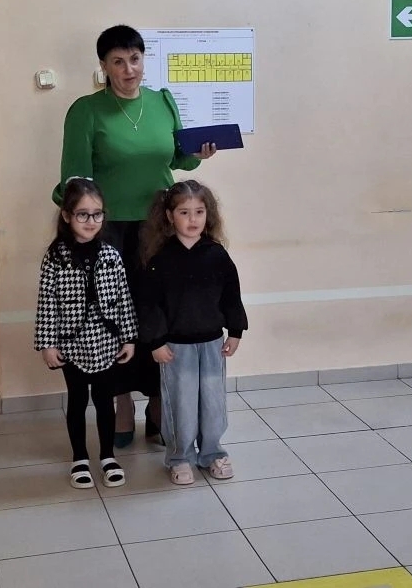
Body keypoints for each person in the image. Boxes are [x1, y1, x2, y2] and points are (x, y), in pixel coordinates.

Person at [53, 25, 216, 447]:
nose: (129, 69)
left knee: (160, 313)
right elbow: (74, 177)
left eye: (135, 59)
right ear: (104, 66)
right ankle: (121, 403)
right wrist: (79, 222)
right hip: (108, 231)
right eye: (118, 61)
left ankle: (158, 404)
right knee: (115, 318)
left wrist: (197, 153)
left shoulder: (162, 102)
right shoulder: (87, 110)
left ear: (144, 59)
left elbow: (179, 159)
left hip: (159, 226)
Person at [137, 180, 247, 484]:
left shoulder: (217, 255)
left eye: (199, 211)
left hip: (212, 343)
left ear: (208, 215)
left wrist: (235, 331)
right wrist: (156, 341)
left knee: (213, 402)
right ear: (170, 216)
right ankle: (180, 456)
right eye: (184, 212)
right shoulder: (160, 259)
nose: (193, 219)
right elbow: (150, 305)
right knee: (181, 404)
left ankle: (212, 453)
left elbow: (231, 296)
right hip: (175, 348)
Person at [35, 178, 138, 489]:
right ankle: (79, 457)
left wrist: (129, 337)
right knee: (78, 400)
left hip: (106, 342)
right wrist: (47, 343)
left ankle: (107, 455)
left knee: (105, 401)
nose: (91, 221)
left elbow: (123, 298)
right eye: (83, 214)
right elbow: (47, 302)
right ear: (67, 215)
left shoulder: (111, 255)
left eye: (97, 214)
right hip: (72, 344)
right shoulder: (56, 258)